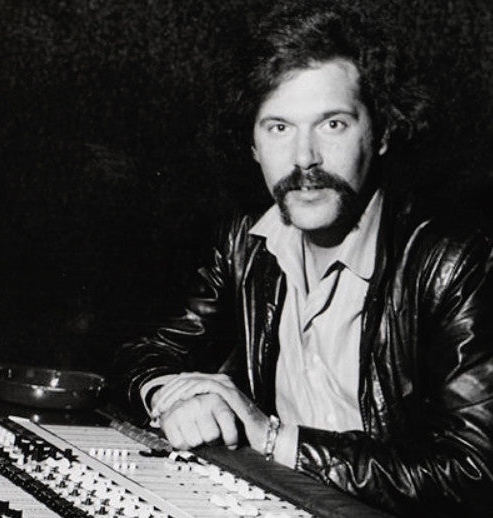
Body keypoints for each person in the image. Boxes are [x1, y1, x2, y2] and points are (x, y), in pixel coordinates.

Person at [115, 1, 493, 515]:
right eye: (278, 127)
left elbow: (474, 469)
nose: (304, 159)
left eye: (332, 124)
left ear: (381, 132)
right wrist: (176, 396)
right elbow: (148, 353)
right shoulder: (247, 242)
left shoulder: (453, 260)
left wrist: (270, 436)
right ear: (252, 144)